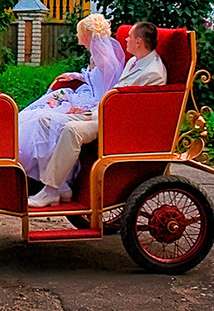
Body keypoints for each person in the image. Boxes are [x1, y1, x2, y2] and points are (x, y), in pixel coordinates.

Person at [26, 20, 168, 208]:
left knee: (72, 130)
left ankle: (51, 191)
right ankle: (60, 188)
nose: (125, 39)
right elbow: (115, 94)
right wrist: (89, 111)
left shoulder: (153, 73)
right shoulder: (135, 61)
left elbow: (129, 107)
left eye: (129, 37)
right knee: (46, 119)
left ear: (138, 42)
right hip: (103, 111)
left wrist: (91, 114)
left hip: (116, 121)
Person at [17, 13, 125, 189]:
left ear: (87, 35)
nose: (77, 36)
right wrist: (74, 76)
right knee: (40, 108)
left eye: (79, 32)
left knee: (43, 118)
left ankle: (50, 179)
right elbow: (91, 77)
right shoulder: (94, 56)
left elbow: (108, 92)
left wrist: (85, 109)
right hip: (83, 95)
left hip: (93, 103)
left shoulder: (106, 60)